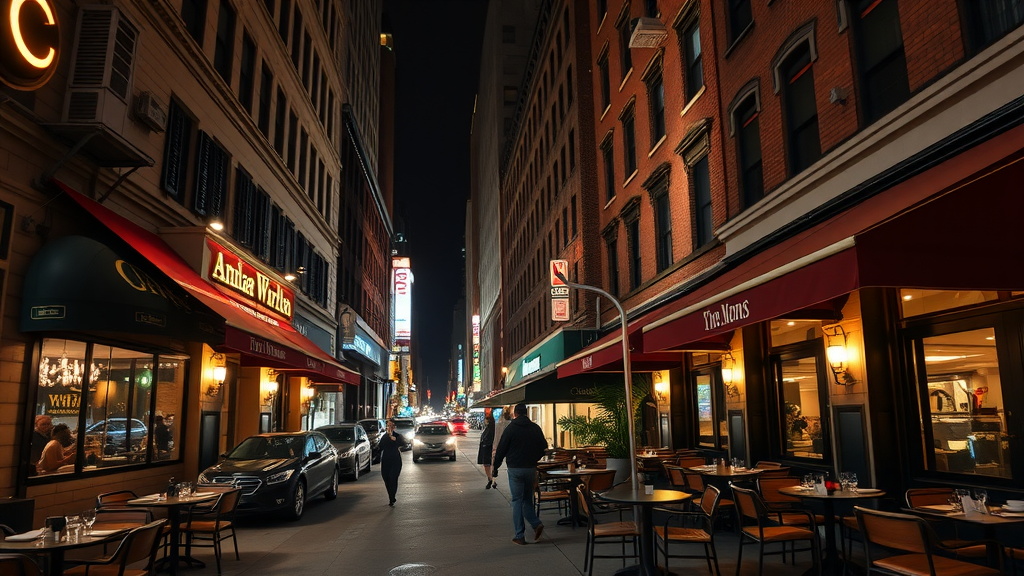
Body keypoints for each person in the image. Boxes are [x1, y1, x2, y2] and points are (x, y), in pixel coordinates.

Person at [492, 403, 548, 545]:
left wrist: (496, 467)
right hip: (530, 468)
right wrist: (534, 458)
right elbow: (544, 447)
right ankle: (535, 524)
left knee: (517, 500)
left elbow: (501, 450)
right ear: (526, 413)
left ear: (515, 413)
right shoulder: (535, 428)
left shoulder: (510, 429)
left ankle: (519, 535)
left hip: (515, 469)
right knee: (527, 499)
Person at [379, 418, 404, 506]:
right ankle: (390, 495)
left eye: (391, 426)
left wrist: (394, 440)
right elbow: (380, 446)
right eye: (388, 425)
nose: (389, 427)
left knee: (393, 478)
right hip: (386, 460)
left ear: (394, 427)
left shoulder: (397, 436)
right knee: (386, 478)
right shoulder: (384, 436)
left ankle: (392, 497)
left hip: (395, 460)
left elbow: (402, 443)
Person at [490, 407, 513, 489]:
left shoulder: (498, 423)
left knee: (495, 460)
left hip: (498, 444)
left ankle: (493, 479)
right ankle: (493, 479)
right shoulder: (511, 425)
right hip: (510, 447)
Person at [478, 413, 496, 489]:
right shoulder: (491, 428)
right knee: (490, 465)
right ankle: (492, 480)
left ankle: (491, 479)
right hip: (488, 449)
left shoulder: (490, 430)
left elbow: (488, 439)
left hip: (487, 449)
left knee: (487, 465)